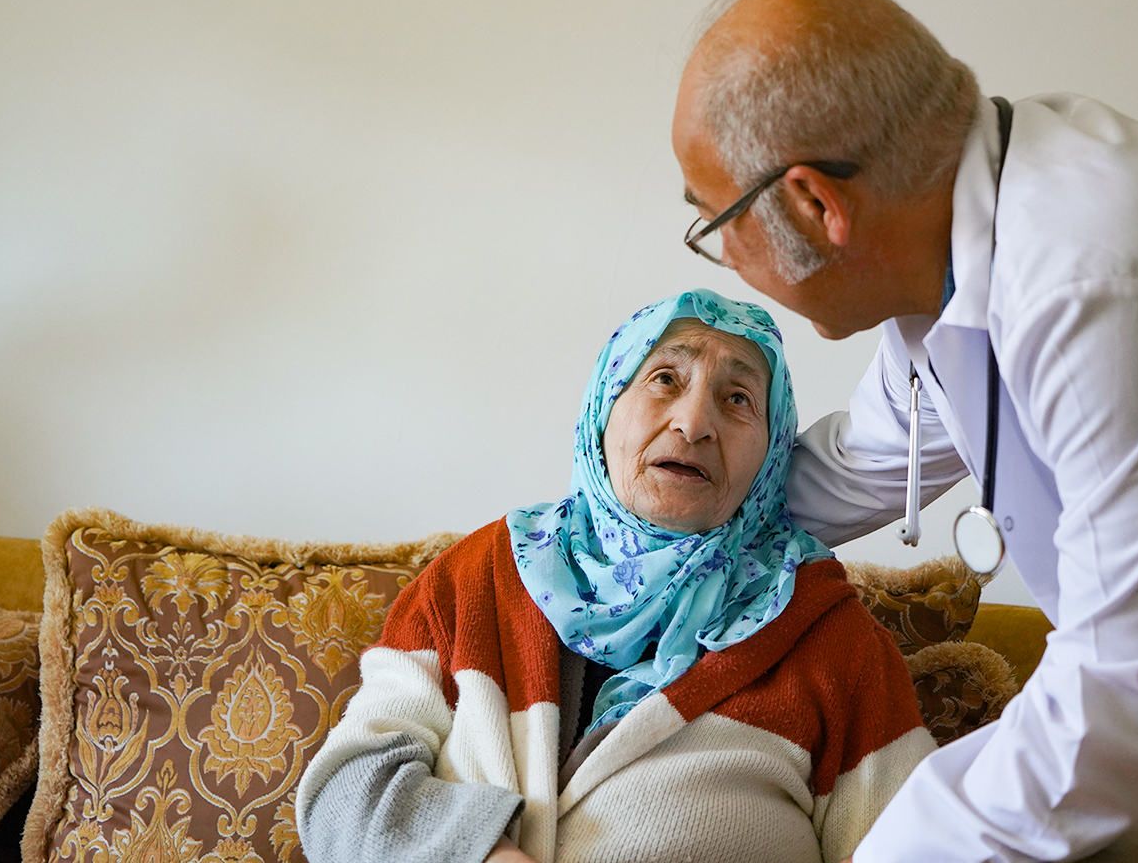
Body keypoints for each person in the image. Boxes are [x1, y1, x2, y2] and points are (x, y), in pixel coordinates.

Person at [671, 0, 1138, 863]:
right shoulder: (954, 264)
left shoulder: (1101, 279)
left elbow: (1123, 705)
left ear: (814, 205)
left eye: (715, 224)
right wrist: (639, 507)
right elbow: (846, 471)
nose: (725, 257)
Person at [295, 289, 935, 863]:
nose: (693, 423)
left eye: (738, 399)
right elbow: (345, 789)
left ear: (771, 453)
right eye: (663, 379)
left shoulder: (827, 634)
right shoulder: (475, 577)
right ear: (605, 408)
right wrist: (478, 853)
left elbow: (919, 844)